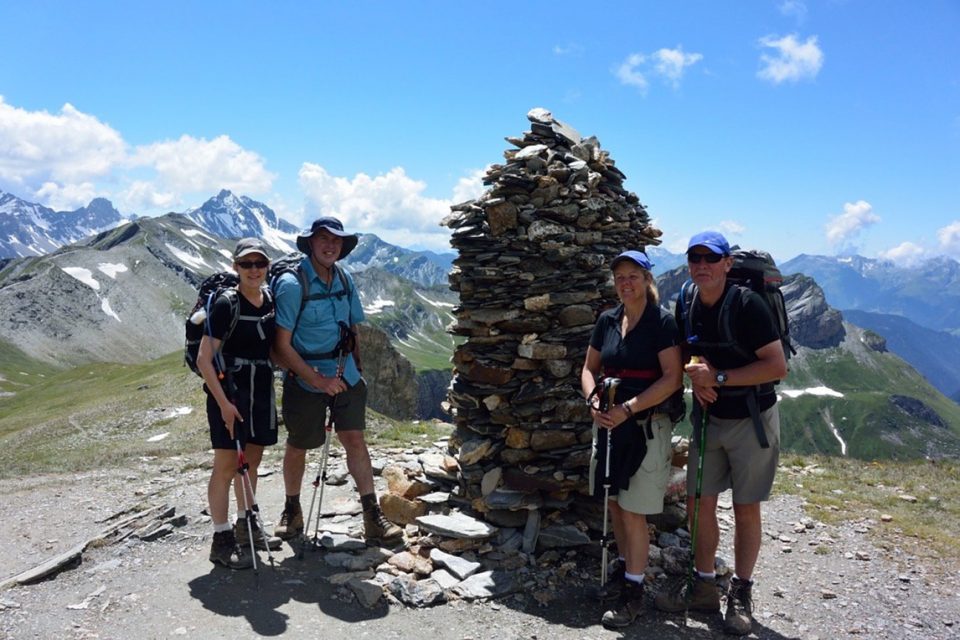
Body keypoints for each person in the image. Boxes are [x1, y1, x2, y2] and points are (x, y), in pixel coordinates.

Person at [654, 231, 788, 635]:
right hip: (708, 418)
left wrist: (720, 377)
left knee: (746, 507)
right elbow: (687, 349)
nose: (701, 265)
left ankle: (742, 593)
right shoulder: (687, 300)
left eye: (711, 258)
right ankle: (704, 586)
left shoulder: (748, 305)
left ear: (727, 264)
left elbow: (776, 366)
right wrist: (698, 375)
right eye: (695, 257)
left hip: (752, 418)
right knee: (698, 504)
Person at [272, 217, 402, 545]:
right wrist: (318, 380)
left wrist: (357, 365)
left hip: (346, 376)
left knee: (355, 440)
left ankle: (372, 516)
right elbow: (280, 346)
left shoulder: (344, 278)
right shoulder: (292, 284)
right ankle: (292, 510)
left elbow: (352, 327)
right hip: (306, 380)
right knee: (299, 445)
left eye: (336, 241)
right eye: (323, 239)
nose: (330, 245)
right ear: (311, 244)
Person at [580, 250, 684, 628]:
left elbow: (672, 378)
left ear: (647, 280)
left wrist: (629, 408)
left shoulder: (662, 323)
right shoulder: (607, 320)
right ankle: (625, 574)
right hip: (609, 424)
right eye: (620, 276)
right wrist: (594, 402)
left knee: (635, 510)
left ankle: (633, 593)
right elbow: (589, 369)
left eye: (633, 276)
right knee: (616, 505)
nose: (626, 282)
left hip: (645, 427)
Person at [197, 238, 281, 569]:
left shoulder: (269, 299)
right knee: (227, 464)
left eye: (260, 264)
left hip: (260, 389)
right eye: (247, 264)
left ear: (267, 267)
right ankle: (221, 538)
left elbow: (269, 349)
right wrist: (223, 405)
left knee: (254, 459)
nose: (254, 270)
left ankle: (247, 524)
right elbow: (205, 359)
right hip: (229, 392)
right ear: (236, 267)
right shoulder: (225, 304)